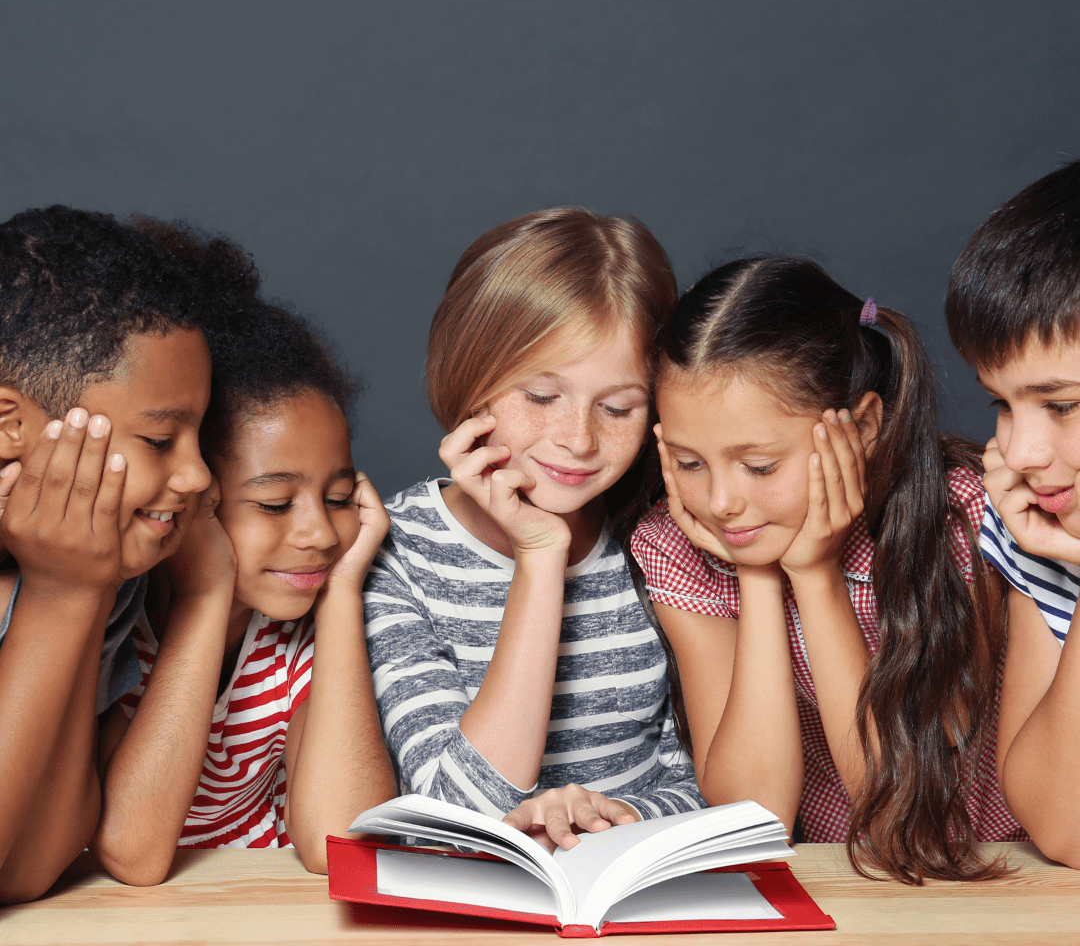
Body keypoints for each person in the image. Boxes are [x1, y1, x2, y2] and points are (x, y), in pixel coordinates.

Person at [631, 256, 1022, 884]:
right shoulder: (679, 547)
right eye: (688, 462)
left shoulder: (961, 520)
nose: (722, 501)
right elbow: (752, 813)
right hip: (830, 881)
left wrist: (815, 578)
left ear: (862, 427)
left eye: (759, 467)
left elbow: (901, 805)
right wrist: (759, 576)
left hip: (992, 873)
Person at [364, 207, 704, 852]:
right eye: (541, 398)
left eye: (617, 407)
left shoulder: (668, 536)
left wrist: (610, 819)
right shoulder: (393, 548)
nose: (578, 440)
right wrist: (541, 555)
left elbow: (712, 779)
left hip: (640, 888)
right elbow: (452, 810)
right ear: (472, 379)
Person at [93, 298, 397, 882]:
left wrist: (341, 598)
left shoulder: (298, 636)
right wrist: (207, 594)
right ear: (192, 496)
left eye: (337, 499)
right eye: (275, 504)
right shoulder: (115, 623)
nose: (317, 534)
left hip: (260, 911)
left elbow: (344, 842)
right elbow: (133, 852)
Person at [0, 206, 248, 902]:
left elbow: (27, 867)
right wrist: (59, 595)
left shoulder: (90, 569)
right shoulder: (67, 576)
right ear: (9, 425)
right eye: (161, 440)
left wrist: (74, 592)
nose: (199, 477)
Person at [945, 159, 1080, 868]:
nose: (1020, 451)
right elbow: (1063, 826)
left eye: (1062, 405)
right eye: (1002, 404)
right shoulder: (1041, 530)